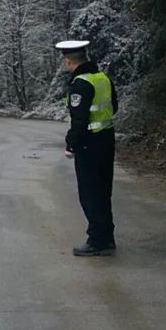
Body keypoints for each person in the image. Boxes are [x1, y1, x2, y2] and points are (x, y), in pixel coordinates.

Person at [56, 40, 118, 257]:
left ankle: (97, 240)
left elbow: (79, 119)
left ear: (68, 61)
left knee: (90, 193)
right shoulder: (103, 78)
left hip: (89, 143)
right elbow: (114, 106)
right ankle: (107, 237)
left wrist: (71, 144)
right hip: (106, 139)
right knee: (103, 191)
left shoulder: (80, 84)